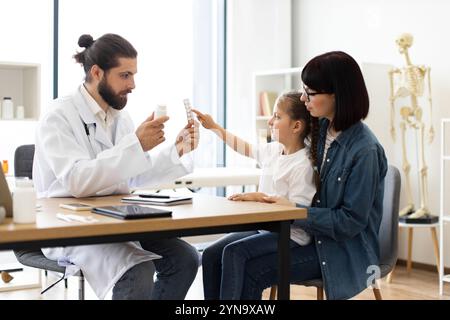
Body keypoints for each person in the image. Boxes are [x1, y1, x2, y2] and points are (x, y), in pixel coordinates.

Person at [203, 51, 388, 300]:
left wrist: (292, 210)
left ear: (337, 95)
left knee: (248, 267)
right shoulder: (319, 127)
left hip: (336, 249)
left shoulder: (364, 151)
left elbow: (349, 223)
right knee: (213, 254)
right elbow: (280, 144)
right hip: (300, 231)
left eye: (309, 93)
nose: (303, 98)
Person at [33, 33, 200, 300]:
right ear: (97, 72)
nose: (133, 84)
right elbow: (77, 180)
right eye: (125, 75)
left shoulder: (120, 117)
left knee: (185, 258)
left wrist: (175, 151)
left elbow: (131, 176)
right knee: (137, 270)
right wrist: (135, 144)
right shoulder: (58, 116)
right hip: (70, 224)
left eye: (134, 75)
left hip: (116, 219)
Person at [193, 92, 318, 299]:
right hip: (265, 229)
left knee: (234, 253)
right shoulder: (273, 150)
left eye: (277, 117)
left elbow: (298, 212)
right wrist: (214, 127)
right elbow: (243, 147)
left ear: (296, 126)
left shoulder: (302, 165)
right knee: (211, 254)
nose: (270, 121)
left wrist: (260, 198)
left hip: (291, 236)